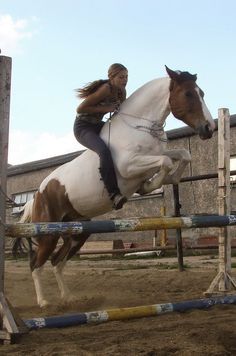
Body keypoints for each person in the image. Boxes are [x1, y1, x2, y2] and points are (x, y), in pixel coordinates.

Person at [74, 63, 128, 210]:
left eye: (126, 77)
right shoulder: (105, 89)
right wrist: (106, 108)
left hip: (98, 124)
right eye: (121, 77)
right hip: (83, 127)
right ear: (111, 77)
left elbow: (121, 112)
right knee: (104, 151)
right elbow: (80, 108)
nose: (125, 80)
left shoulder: (121, 92)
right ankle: (113, 194)